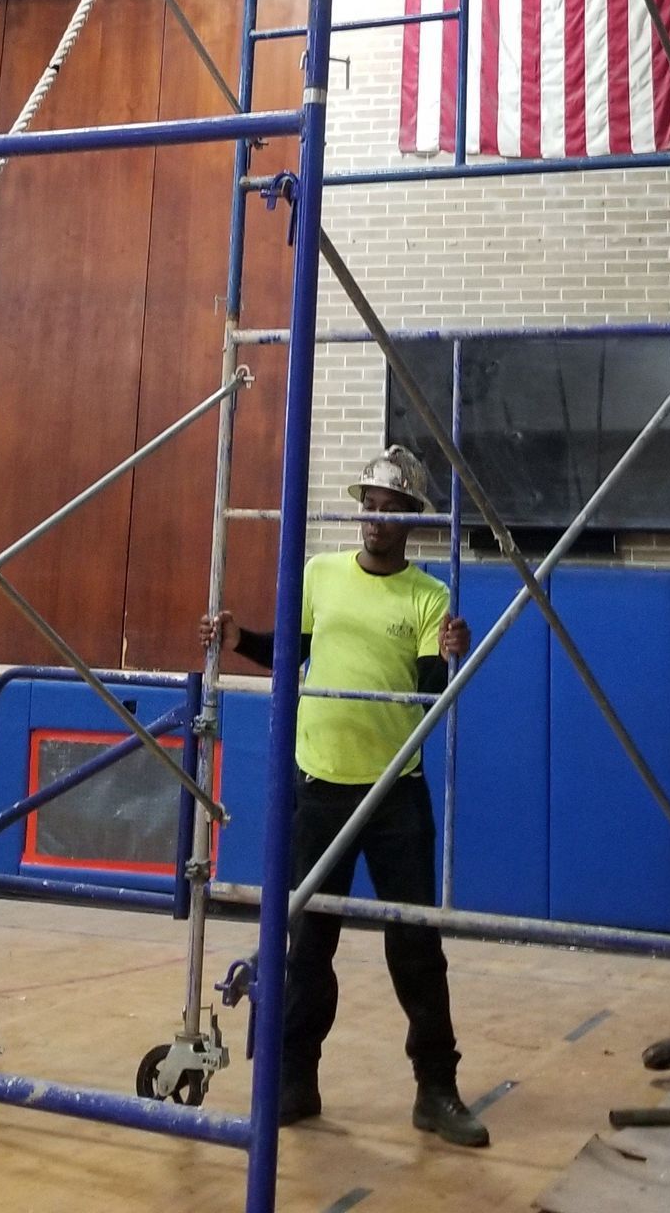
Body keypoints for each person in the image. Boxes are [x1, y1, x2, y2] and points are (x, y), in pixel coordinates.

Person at [202, 443, 487, 1149]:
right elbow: (289, 650)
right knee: (308, 945)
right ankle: (296, 1082)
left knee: (416, 946)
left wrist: (452, 651)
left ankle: (436, 1089)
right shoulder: (320, 574)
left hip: (395, 791)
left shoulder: (428, 596)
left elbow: (425, 692)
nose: (376, 520)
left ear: (412, 521)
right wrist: (241, 639)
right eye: (369, 506)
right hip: (321, 784)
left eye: (391, 511)